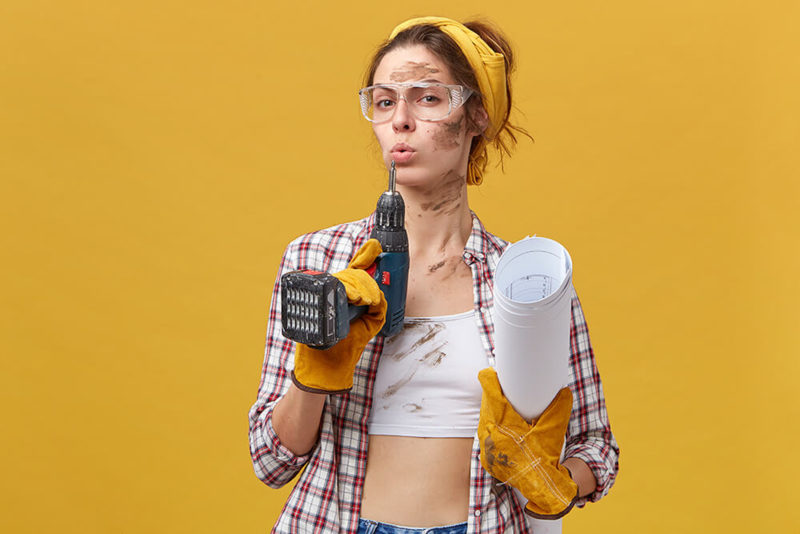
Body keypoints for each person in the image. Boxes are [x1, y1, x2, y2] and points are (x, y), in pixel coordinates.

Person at [249, 16, 619, 534]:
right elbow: (271, 461)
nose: (400, 120)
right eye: (384, 101)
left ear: (477, 116)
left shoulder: (525, 283)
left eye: (426, 97)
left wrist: (554, 480)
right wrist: (315, 370)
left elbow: (596, 447)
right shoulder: (317, 261)